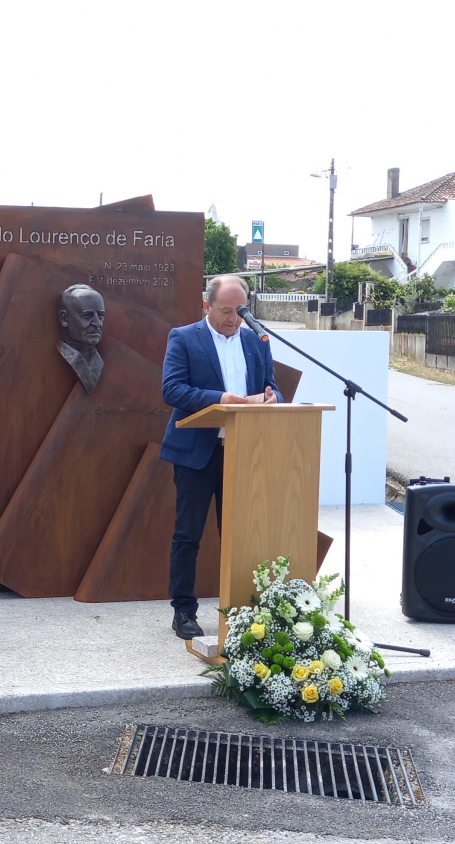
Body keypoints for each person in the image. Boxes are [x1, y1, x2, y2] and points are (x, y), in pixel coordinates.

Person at [159, 274, 278, 640]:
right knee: (188, 535)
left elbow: (270, 387)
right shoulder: (184, 337)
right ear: (206, 305)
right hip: (198, 452)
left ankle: (242, 609)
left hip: (245, 453)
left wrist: (272, 398)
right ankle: (184, 610)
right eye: (225, 310)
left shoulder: (257, 340)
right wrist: (220, 399)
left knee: (242, 535)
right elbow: (172, 389)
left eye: (240, 310)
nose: (233, 318)